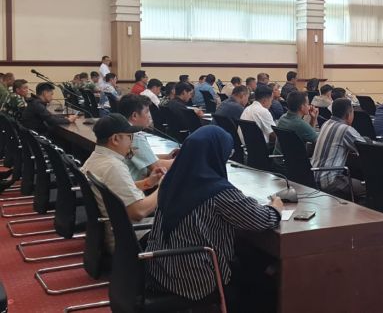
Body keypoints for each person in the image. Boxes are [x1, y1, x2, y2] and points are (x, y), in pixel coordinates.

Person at [144, 126, 283, 306]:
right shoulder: (217, 191)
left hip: (161, 269)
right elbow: (261, 220)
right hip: (195, 281)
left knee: (247, 255)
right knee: (260, 279)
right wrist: (276, 207)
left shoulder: (171, 180)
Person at [81, 113, 163, 253]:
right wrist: (164, 188)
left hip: (116, 231)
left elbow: (115, 190)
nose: (131, 142)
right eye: (129, 137)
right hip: (131, 237)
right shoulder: (113, 166)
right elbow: (139, 211)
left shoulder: (95, 159)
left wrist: (148, 182)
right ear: (115, 139)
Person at [311, 98, 366, 201]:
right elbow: (367, 150)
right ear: (348, 115)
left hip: (314, 177)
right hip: (331, 181)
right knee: (369, 189)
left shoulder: (326, 124)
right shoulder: (345, 129)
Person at [119, 94, 176, 181]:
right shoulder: (134, 136)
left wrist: (167, 156)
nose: (149, 115)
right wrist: (182, 158)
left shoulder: (120, 129)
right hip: (136, 188)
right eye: (147, 111)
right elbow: (157, 167)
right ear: (134, 116)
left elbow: (139, 157)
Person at [274, 91, 319, 156]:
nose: (309, 106)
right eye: (308, 104)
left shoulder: (283, 118)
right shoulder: (300, 124)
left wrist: (313, 118)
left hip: (279, 160)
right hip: (293, 164)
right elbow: (318, 142)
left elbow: (309, 134)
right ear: (302, 107)